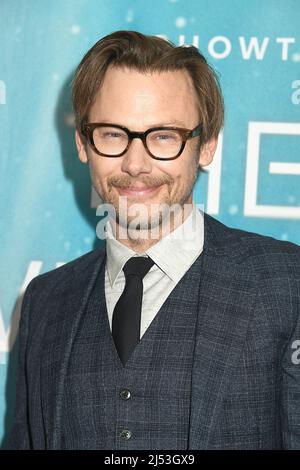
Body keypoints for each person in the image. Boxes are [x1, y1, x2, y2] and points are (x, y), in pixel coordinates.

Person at [7, 30, 300, 450]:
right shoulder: (46, 302)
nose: (136, 164)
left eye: (164, 136)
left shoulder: (287, 284)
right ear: (83, 143)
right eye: (112, 134)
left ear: (207, 145)